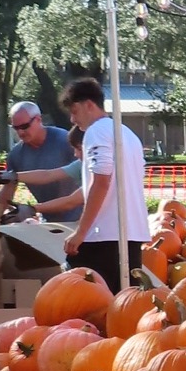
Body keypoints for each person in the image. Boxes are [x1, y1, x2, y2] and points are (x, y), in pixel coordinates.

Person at [59, 76, 150, 290]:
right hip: (131, 234)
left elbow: (101, 181)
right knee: (125, 300)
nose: (73, 119)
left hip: (103, 237)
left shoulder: (96, 131)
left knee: (84, 298)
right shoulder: (128, 134)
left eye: (74, 111)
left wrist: (81, 232)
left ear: (89, 105)